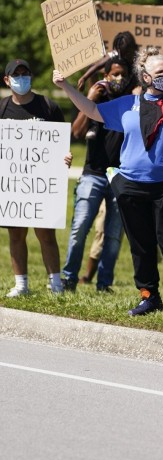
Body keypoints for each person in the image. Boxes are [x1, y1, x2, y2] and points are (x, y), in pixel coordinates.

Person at [54, 47, 163, 316]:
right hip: (132, 186)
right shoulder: (127, 104)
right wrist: (65, 85)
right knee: (141, 244)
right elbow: (91, 109)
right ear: (145, 77)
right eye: (160, 73)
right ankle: (149, 296)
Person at [61, 57, 131, 292]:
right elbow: (78, 131)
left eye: (123, 74)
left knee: (112, 234)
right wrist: (90, 98)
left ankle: (104, 283)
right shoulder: (97, 101)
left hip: (120, 176)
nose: (119, 79)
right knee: (80, 227)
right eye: (115, 74)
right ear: (106, 76)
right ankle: (69, 278)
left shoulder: (130, 103)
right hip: (92, 174)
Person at [2, 58, 70, 296]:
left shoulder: (48, 106)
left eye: (25, 73)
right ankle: (21, 284)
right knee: (16, 234)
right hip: (13, 185)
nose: (21, 78)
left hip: (42, 186)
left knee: (45, 234)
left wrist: (66, 158)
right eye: (16, 74)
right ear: (7, 80)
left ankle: (56, 284)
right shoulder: (2, 109)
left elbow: (62, 144)